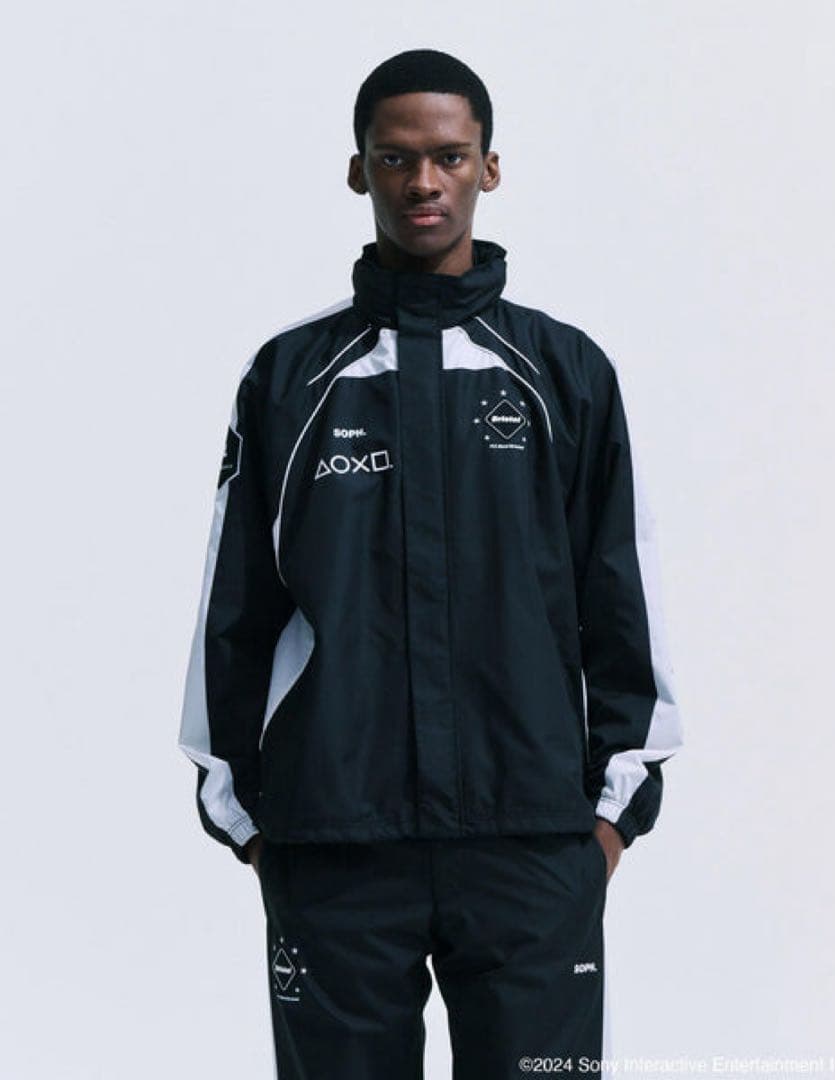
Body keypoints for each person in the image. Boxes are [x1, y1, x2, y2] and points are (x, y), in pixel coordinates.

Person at [178, 47, 683, 1080]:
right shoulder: (288, 378)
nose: (423, 182)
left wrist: (606, 822)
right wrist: (250, 820)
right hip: (335, 844)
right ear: (357, 170)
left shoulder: (565, 373)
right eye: (395, 157)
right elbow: (236, 607)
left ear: (489, 167)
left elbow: (619, 595)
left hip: (531, 843)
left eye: (449, 156)